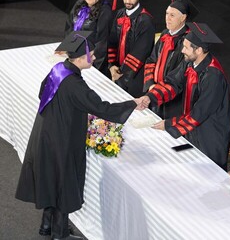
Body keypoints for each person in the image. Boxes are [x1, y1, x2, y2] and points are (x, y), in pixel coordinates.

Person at [15, 31, 145, 240]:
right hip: (63, 140)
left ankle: (46, 225)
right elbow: (102, 108)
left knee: (51, 179)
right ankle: (60, 233)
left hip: (46, 132)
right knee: (63, 183)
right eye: (91, 55)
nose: (94, 58)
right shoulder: (75, 84)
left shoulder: (58, 69)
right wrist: (133, 104)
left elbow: (42, 93)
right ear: (81, 58)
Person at [140, 22, 230, 170]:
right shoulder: (190, 62)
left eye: (186, 47)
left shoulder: (213, 76)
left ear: (199, 50)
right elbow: (173, 83)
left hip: (209, 136)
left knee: (202, 178)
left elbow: (199, 113)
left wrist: (169, 124)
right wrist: (149, 98)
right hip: (192, 130)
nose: (182, 50)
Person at [143, 0, 199, 119]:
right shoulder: (164, 34)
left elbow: (178, 76)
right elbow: (151, 60)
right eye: (167, 13)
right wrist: (151, 83)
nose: (167, 18)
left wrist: (157, 91)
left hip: (173, 100)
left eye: (172, 15)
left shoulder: (187, 42)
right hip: (155, 92)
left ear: (183, 18)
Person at [108, 0, 155, 97]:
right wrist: (112, 65)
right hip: (118, 72)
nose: (128, 1)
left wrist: (122, 73)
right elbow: (112, 41)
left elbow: (140, 52)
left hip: (136, 75)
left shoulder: (145, 21)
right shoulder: (120, 14)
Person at [64, 0, 113, 76]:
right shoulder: (79, 5)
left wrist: (92, 66)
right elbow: (69, 27)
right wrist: (69, 51)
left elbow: (102, 42)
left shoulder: (104, 11)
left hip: (92, 62)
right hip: (77, 59)